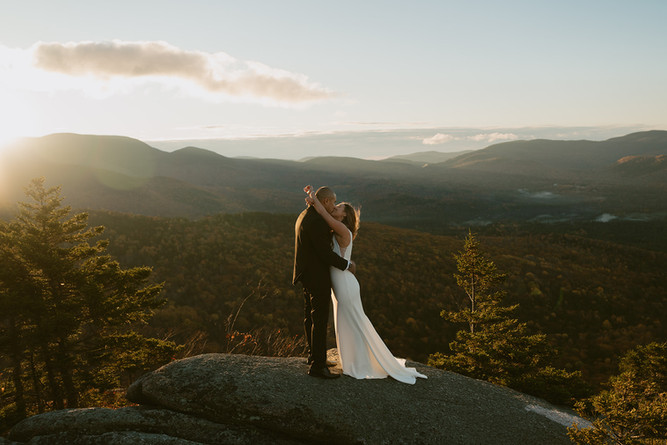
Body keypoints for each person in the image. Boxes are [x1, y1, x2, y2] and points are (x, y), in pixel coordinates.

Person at [304, 185, 427, 384]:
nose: (334, 209)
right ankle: (352, 360)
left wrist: (313, 198)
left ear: (344, 217)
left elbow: (323, 214)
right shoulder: (336, 228)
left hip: (344, 284)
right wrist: (314, 201)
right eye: (334, 206)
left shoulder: (342, 229)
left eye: (338, 209)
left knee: (353, 322)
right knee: (347, 321)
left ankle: (361, 363)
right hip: (341, 282)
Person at [293, 186, 356, 379]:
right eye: (334, 202)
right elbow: (325, 254)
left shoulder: (305, 214)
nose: (335, 205)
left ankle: (314, 356)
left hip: (306, 273)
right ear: (326, 201)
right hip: (317, 276)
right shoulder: (317, 222)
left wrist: (313, 199)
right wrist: (347, 265)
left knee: (310, 317)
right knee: (319, 320)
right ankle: (318, 366)